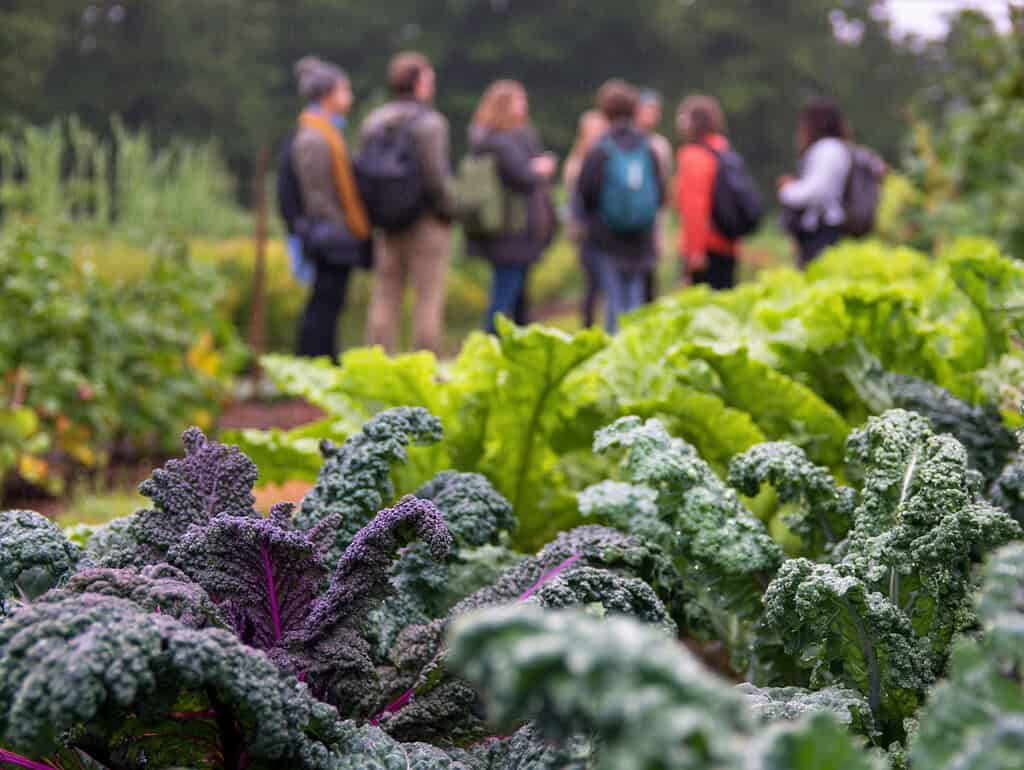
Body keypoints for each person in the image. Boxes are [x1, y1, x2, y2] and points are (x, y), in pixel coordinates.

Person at [361, 52, 454, 354]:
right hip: (426, 221)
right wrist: (449, 211)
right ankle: (424, 368)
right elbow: (436, 177)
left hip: (386, 222)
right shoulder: (431, 123)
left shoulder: (373, 122)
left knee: (385, 294)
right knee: (428, 297)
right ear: (418, 83)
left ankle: (376, 364)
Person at [291, 56, 371, 358]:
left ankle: (324, 357)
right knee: (323, 302)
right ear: (328, 95)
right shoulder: (314, 137)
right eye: (344, 90)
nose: (348, 97)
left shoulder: (328, 132)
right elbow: (317, 195)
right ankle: (314, 359)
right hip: (331, 235)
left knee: (331, 302)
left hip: (336, 232)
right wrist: (341, 227)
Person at [465, 81, 557, 333]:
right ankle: (488, 349)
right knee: (503, 298)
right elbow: (522, 177)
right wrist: (539, 168)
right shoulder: (501, 143)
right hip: (512, 231)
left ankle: (512, 352)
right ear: (504, 106)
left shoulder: (494, 139)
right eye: (519, 100)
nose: (524, 106)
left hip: (507, 231)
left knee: (516, 299)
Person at [578, 80, 664, 334]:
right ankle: (635, 351)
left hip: (608, 236)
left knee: (614, 300)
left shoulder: (600, 148)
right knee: (636, 298)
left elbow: (586, 190)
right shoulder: (648, 147)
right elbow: (659, 191)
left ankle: (616, 354)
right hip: (641, 235)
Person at [778, 98, 852, 267]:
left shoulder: (827, 148)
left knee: (816, 275)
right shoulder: (834, 147)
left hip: (821, 229)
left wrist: (787, 189)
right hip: (821, 227)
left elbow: (817, 191)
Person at [675, 94, 738, 290]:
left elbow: (695, 207)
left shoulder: (693, 156)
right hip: (728, 241)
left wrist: (695, 252)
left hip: (705, 246)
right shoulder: (723, 149)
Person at [563, 109, 608, 327]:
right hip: (589, 232)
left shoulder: (606, 155)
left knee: (605, 283)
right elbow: (574, 201)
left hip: (605, 228)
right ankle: (589, 326)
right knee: (594, 284)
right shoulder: (577, 162)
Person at [636, 90, 674, 301]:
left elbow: (665, 187)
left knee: (650, 273)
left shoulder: (661, 146)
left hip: (653, 216)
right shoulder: (623, 143)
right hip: (629, 217)